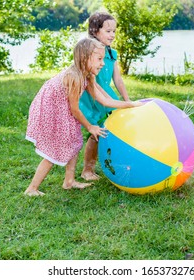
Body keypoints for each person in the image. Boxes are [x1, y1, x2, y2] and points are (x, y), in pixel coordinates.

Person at [24, 37, 142, 196]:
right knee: (55, 150)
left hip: (64, 108)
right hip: (52, 110)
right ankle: (32, 188)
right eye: (99, 59)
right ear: (85, 58)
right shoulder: (75, 77)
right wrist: (90, 126)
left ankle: (69, 181)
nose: (103, 63)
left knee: (75, 141)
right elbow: (74, 109)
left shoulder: (88, 75)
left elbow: (105, 100)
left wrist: (130, 104)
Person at [79, 11, 129, 181]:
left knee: (111, 129)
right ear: (95, 31)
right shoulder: (89, 51)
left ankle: (114, 161)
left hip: (107, 95)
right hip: (93, 98)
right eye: (108, 31)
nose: (112, 35)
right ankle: (87, 170)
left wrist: (127, 100)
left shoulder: (112, 54)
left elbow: (118, 79)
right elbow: (90, 80)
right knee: (96, 133)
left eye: (114, 31)